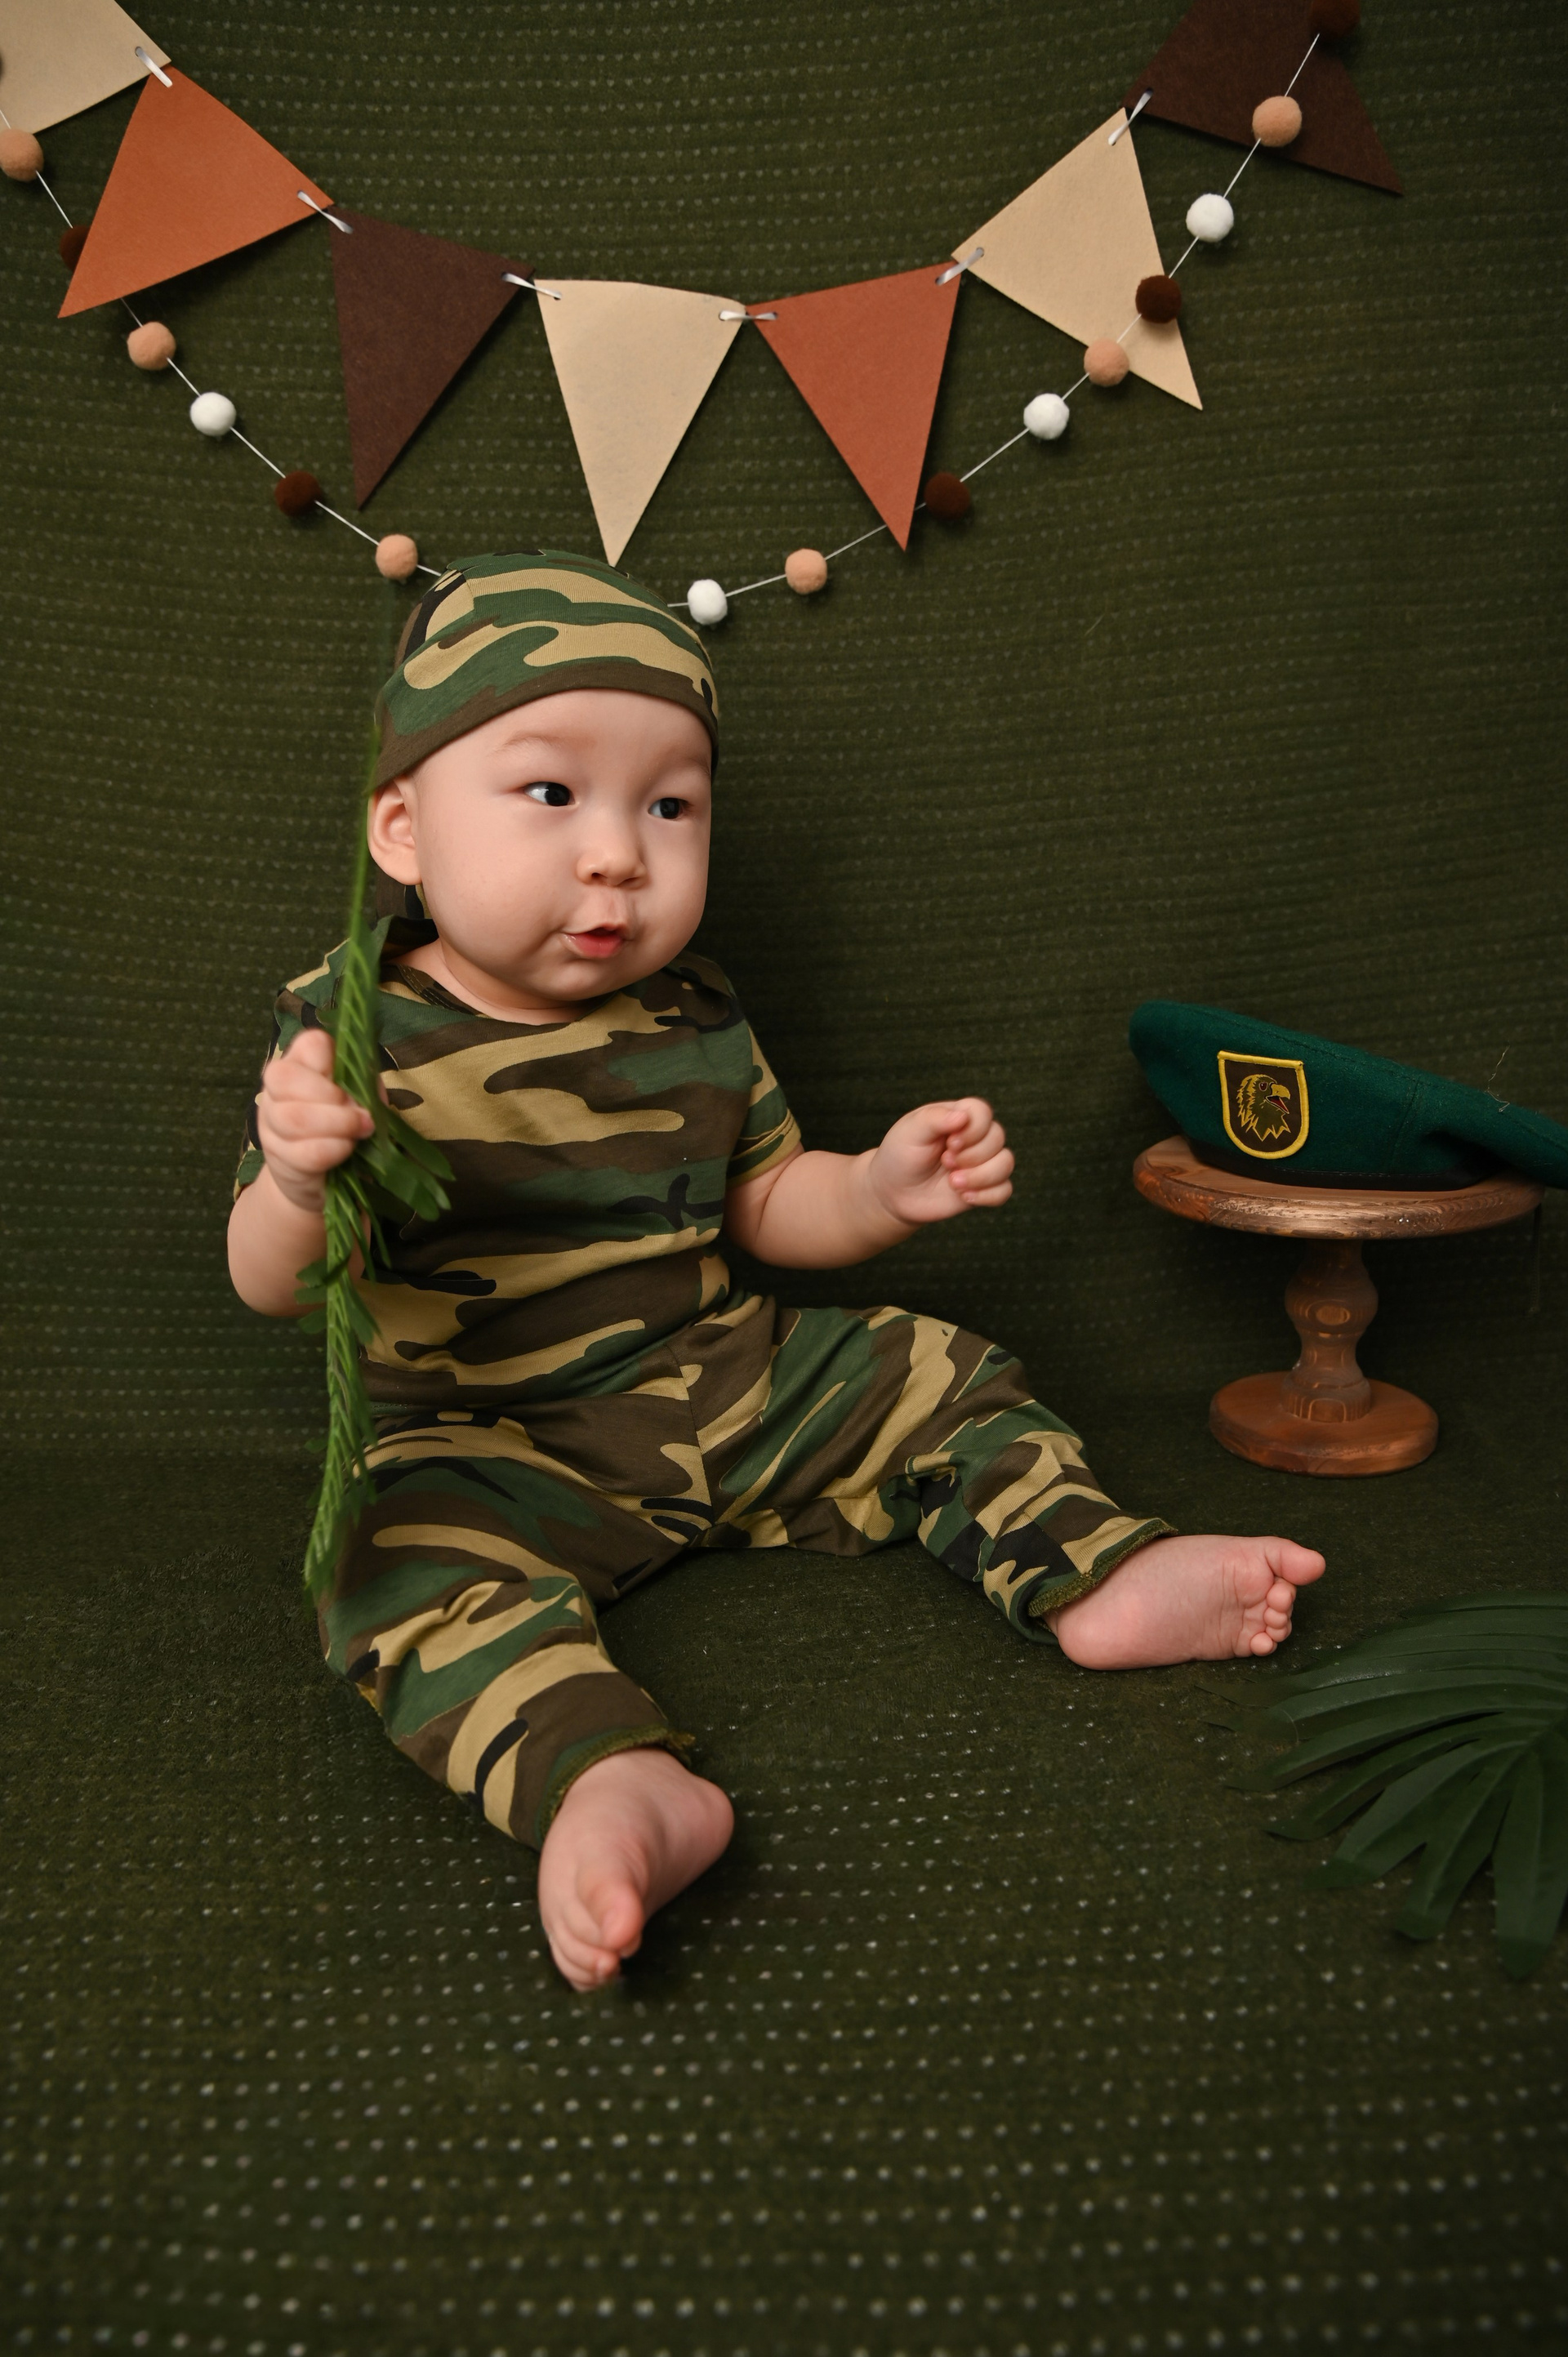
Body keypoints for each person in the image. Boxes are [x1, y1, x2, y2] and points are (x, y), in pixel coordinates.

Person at [228, 550, 1325, 1992]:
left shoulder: (692, 1008)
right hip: (484, 1437)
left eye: (668, 805)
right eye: (551, 792)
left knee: (931, 1370)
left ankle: (1092, 1566)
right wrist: (296, 1180)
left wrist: (876, 1191)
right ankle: (604, 1775)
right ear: (403, 829)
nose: (618, 854)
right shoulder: (352, 1029)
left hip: (719, 1382)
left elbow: (765, 1203)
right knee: (393, 1565)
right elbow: (270, 1282)